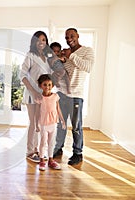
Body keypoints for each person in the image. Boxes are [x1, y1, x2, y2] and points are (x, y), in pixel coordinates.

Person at [53, 28, 95, 165]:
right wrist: (62, 60)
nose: (69, 38)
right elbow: (67, 72)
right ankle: (58, 148)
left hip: (76, 95)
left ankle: (77, 153)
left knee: (76, 126)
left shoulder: (87, 51)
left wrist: (71, 56)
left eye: (72, 36)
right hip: (62, 94)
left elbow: (87, 67)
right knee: (61, 125)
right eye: (66, 37)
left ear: (78, 36)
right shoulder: (66, 52)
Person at [19, 31, 53, 163]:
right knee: (33, 123)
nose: (41, 42)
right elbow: (22, 75)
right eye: (38, 40)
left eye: (44, 40)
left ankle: (38, 149)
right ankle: (30, 151)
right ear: (34, 42)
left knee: (40, 124)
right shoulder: (30, 55)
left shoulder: (48, 57)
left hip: (44, 95)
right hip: (32, 94)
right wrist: (33, 91)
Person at [35, 74, 66, 170]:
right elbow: (37, 112)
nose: (47, 87)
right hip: (44, 124)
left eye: (49, 85)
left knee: (51, 142)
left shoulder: (55, 96)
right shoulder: (40, 98)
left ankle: (51, 160)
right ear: (40, 85)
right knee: (43, 143)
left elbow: (58, 109)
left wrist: (62, 120)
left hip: (53, 123)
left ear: (52, 85)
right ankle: (42, 161)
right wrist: (36, 124)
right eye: (45, 85)